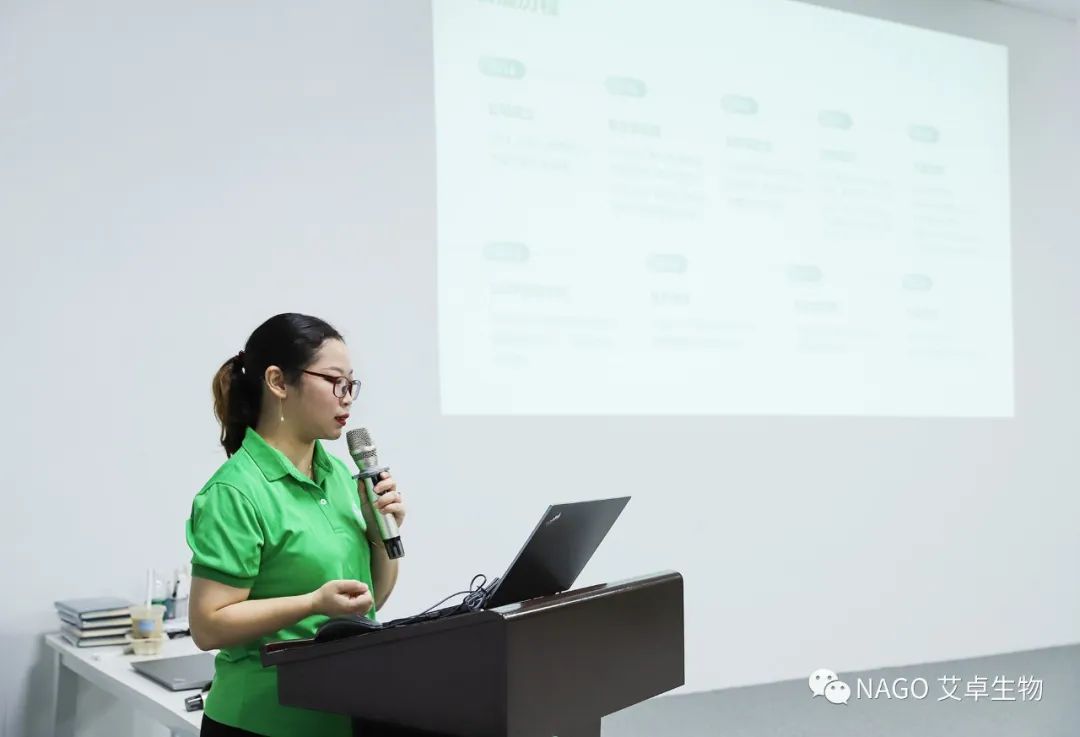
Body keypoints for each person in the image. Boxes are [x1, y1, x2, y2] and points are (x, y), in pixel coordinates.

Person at [186, 313, 406, 737]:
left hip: (342, 712)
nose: (347, 398)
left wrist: (380, 533)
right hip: (262, 722)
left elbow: (368, 601)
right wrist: (311, 603)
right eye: (335, 381)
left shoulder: (338, 475)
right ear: (278, 382)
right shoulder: (235, 491)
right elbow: (208, 626)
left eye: (352, 385)